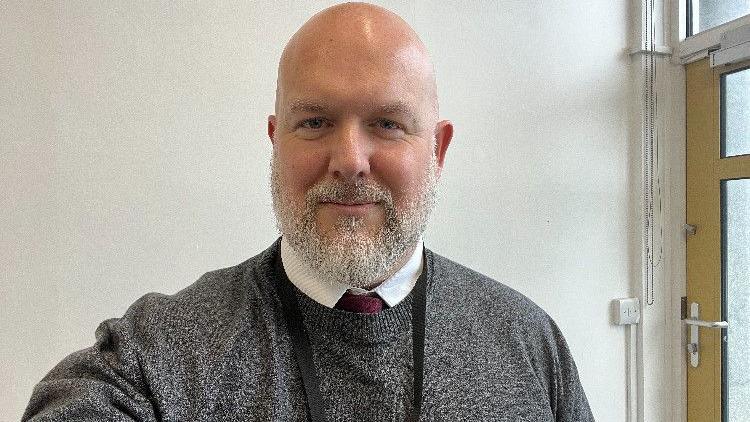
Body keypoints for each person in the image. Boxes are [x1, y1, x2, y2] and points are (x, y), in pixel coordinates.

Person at [23, 3, 594, 421]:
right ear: (277, 141)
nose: (349, 160)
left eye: (387, 124)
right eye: (315, 122)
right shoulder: (166, 350)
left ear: (437, 150)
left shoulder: (528, 345)